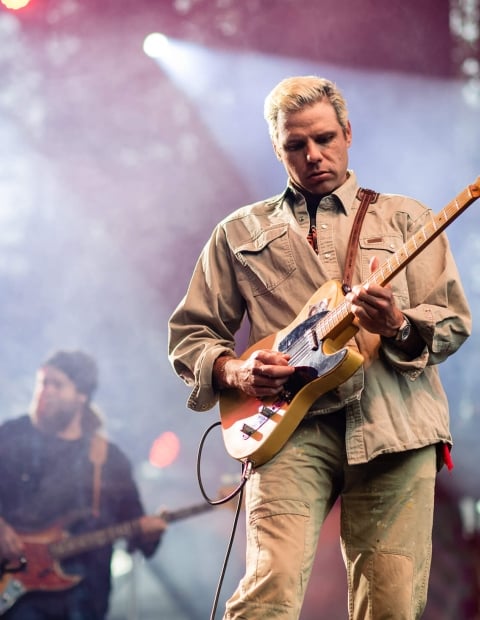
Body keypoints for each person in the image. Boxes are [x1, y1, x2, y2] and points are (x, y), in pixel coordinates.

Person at [168, 75, 472, 619]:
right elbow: (191, 334)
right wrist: (236, 372)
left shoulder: (407, 218)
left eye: (325, 138)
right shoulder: (237, 233)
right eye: (295, 145)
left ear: (348, 133)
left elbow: (452, 322)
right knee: (267, 594)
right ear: (277, 147)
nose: (313, 155)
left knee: (392, 605)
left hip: (396, 426)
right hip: (287, 432)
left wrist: (399, 323)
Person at [0, 349, 166, 620]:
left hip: (85, 602)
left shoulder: (109, 459)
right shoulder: (10, 436)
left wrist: (151, 534)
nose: (46, 391)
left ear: (82, 396)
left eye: (58, 384)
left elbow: (135, 528)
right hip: (15, 597)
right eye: (43, 382)